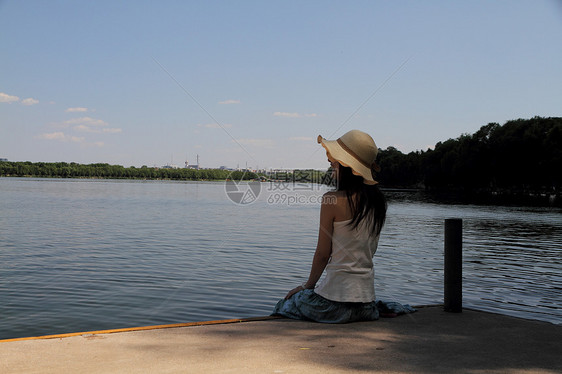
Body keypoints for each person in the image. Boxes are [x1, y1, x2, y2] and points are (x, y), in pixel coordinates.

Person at [272, 129, 410, 323]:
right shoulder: (379, 202)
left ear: (346, 167)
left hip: (333, 305)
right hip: (366, 306)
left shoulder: (332, 200)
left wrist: (306, 287)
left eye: (334, 163)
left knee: (286, 304)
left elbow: (322, 254)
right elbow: (370, 250)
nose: (332, 167)